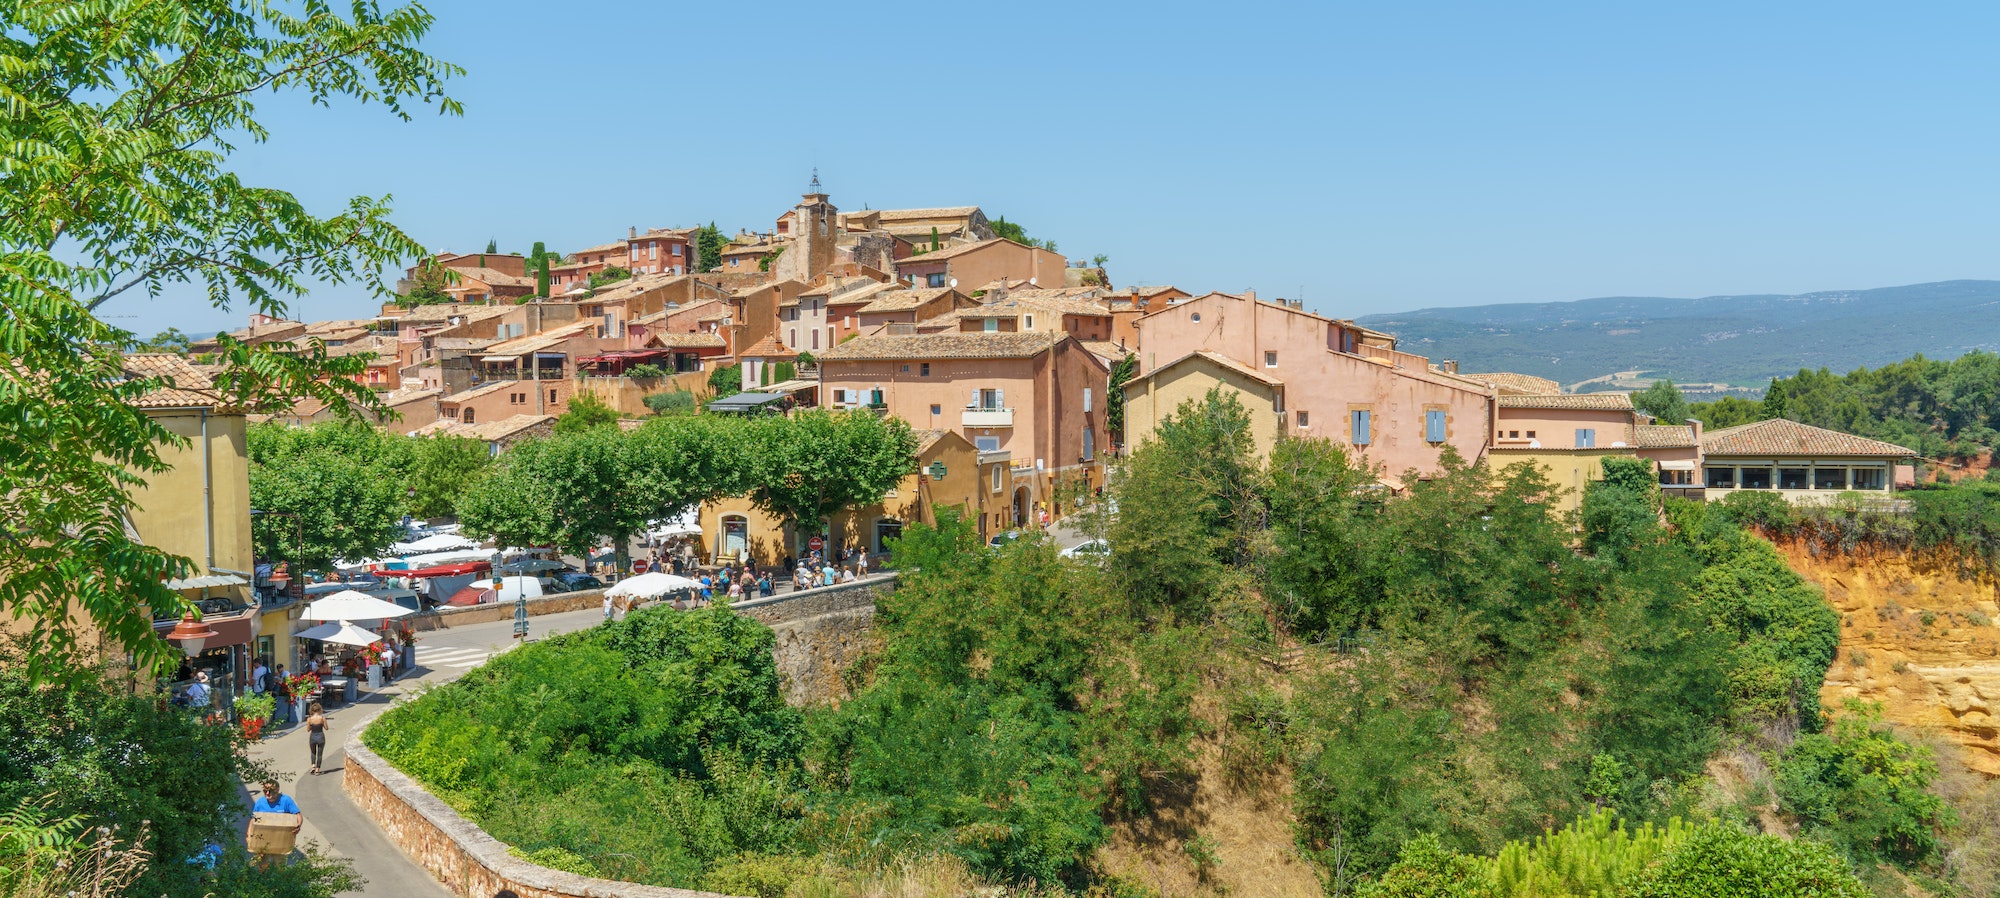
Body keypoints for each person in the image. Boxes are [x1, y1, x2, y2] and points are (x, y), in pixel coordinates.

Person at [247, 779, 303, 868]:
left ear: (277, 790)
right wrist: (249, 834)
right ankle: (263, 880)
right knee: (262, 865)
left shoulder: (286, 800)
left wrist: (298, 825)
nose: (268, 793)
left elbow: (297, 814)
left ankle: (280, 881)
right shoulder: (260, 802)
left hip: (280, 841)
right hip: (263, 841)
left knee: (279, 866)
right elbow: (253, 819)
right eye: (265, 791)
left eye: (271, 791)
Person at [305, 702, 327, 776]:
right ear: (320, 709)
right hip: (321, 736)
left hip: (313, 737)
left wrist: (312, 726)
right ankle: (317, 769)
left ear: (312, 710)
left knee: (313, 752)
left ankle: (313, 765)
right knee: (320, 754)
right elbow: (326, 728)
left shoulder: (309, 719)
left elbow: (308, 729)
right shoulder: (322, 718)